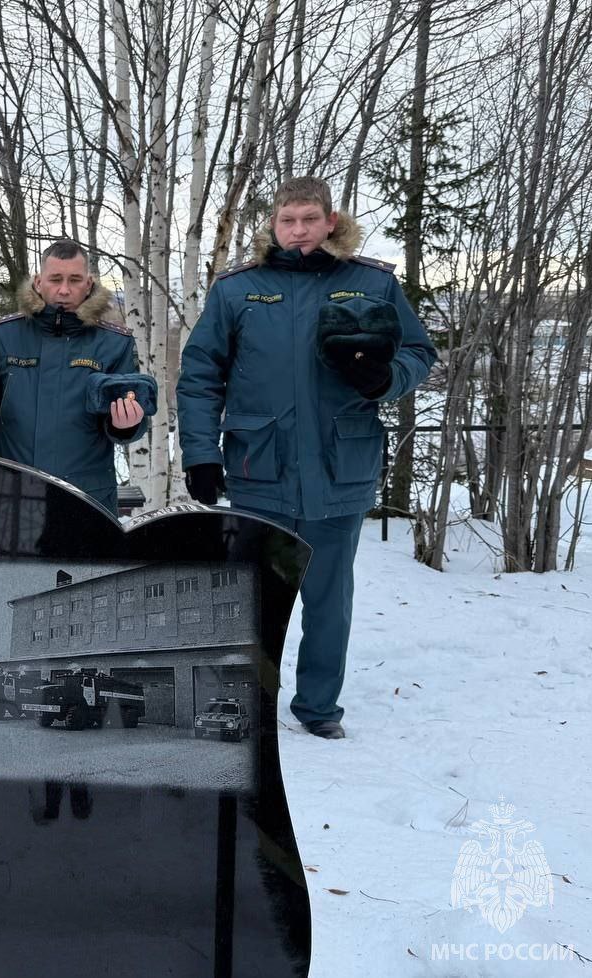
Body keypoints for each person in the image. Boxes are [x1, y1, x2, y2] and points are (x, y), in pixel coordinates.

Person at [177, 175, 436, 739]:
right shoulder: (238, 290)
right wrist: (199, 453)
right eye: (288, 221)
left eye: (310, 220)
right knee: (252, 596)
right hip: (258, 468)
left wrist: (386, 378)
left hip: (340, 467)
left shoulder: (371, 282)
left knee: (328, 599)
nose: (299, 231)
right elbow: (199, 376)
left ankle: (318, 708)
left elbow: (419, 351)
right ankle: (240, 704)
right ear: (273, 224)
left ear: (330, 221)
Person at [0, 240, 147, 515]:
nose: (64, 290)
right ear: (39, 282)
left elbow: (130, 417)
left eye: (74, 280)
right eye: (55, 279)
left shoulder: (114, 343)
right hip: (11, 497)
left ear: (88, 284)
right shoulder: (4, 336)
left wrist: (125, 424)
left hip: (87, 499)